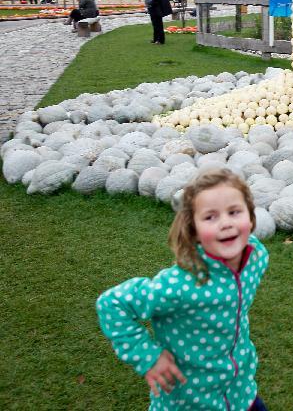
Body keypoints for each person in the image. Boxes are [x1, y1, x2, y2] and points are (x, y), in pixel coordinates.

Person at [96, 168, 270, 411]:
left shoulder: (256, 257)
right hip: (189, 401)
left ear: (250, 218)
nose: (226, 223)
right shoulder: (181, 284)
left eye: (234, 212)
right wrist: (148, 357)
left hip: (242, 394)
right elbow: (112, 303)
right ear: (194, 231)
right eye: (210, 217)